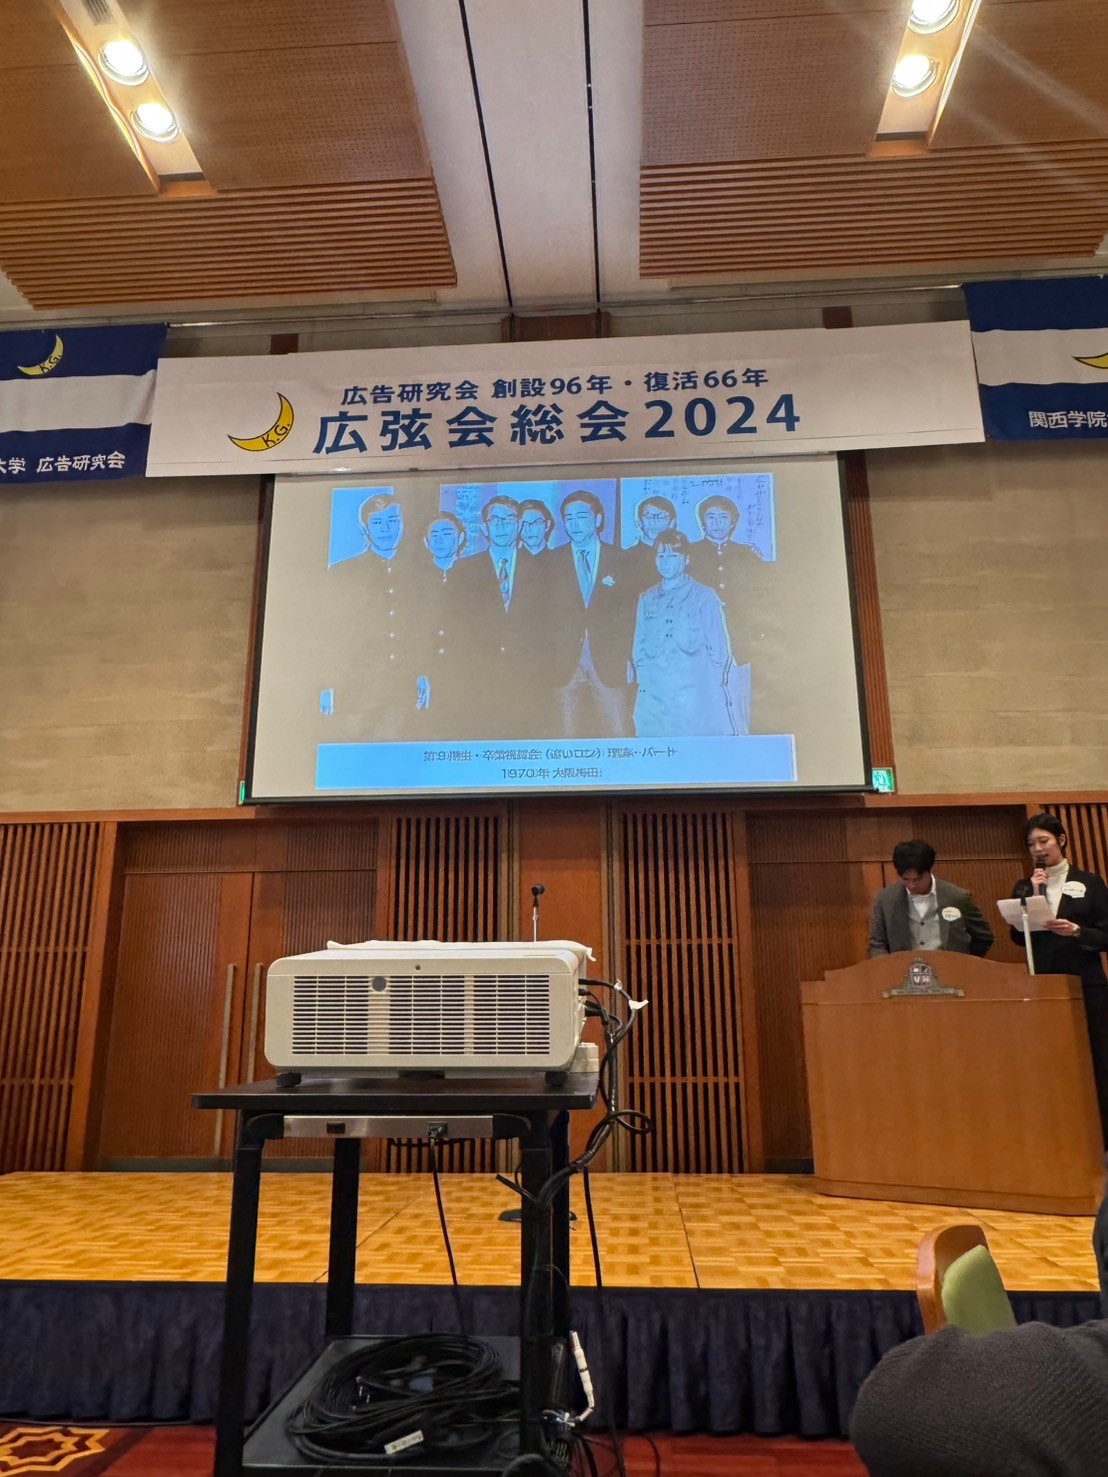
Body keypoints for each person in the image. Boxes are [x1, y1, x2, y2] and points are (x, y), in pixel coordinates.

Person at [1011, 813, 1108, 1140]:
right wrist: (1032, 897)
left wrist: (1078, 931)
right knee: (1051, 1057)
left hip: (1086, 983)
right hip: (1043, 982)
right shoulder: (1025, 886)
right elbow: (1017, 937)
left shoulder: (1090, 882)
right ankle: (1060, 1130)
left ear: (1061, 840)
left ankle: (1102, 1133)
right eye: (1031, 844)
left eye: (1044, 841)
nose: (1038, 849)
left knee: (1096, 1055)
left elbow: (1106, 933)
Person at [631, 531, 747, 737]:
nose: (665, 562)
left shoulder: (704, 596)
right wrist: (647, 680)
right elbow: (639, 646)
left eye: (673, 556)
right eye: (661, 556)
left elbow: (719, 650)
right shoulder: (647, 598)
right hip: (657, 694)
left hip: (696, 692)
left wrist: (710, 687)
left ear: (686, 559)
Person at [540, 490, 635, 738]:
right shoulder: (549, 562)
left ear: (598, 519)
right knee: (565, 738)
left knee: (620, 734)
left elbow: (630, 615)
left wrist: (627, 656)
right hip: (563, 665)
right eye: (568, 518)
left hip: (608, 661)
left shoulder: (622, 559)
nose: (574, 524)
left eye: (581, 517)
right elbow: (540, 617)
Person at [868, 839, 994, 957]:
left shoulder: (957, 897)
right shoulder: (886, 899)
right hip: (904, 969)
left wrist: (966, 963)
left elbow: (983, 937)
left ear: (929, 871)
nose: (911, 885)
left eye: (917, 879)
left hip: (949, 968)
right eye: (906, 879)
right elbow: (877, 944)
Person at [626, 495, 677, 591]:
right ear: (639, 522)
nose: (655, 522)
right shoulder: (626, 558)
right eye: (649, 516)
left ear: (672, 523)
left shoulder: (682, 558)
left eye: (661, 516)